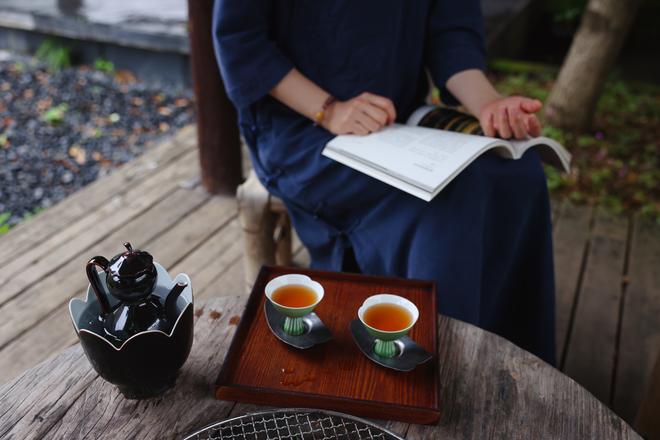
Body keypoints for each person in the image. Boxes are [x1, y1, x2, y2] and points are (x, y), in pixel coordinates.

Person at [213, 0, 556, 364]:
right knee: (446, 199)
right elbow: (241, 40)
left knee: (519, 172)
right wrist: (330, 110)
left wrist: (489, 105)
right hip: (302, 128)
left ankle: (513, 361)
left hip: (399, 119)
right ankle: (437, 367)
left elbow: (451, 31)